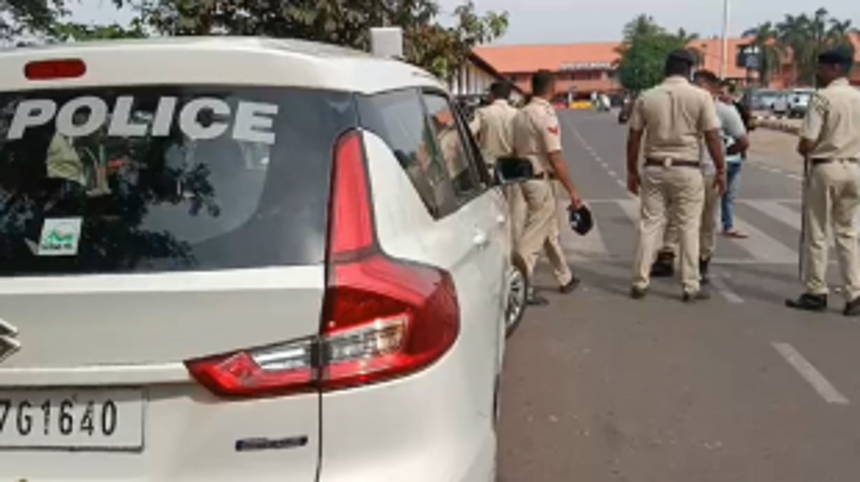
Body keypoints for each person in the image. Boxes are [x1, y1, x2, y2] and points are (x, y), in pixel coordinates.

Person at [625, 49, 727, 302]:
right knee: (689, 227)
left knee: (649, 226)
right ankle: (690, 285)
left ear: (666, 69)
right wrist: (721, 169)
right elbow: (713, 136)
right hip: (687, 168)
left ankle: (640, 280)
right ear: (689, 70)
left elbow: (634, 137)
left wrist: (631, 170)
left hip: (654, 167)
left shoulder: (647, 97)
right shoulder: (701, 97)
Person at [651, 70, 750, 284]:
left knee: (706, 220)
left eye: (700, 85)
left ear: (712, 88)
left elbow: (743, 141)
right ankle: (667, 255)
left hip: (708, 173)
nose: (695, 89)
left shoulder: (724, 111)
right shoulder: (685, 106)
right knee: (676, 215)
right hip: (686, 170)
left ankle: (702, 261)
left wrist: (724, 156)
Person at [786, 48, 860, 316]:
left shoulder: (823, 98)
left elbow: (808, 141)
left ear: (835, 69)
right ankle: (854, 293)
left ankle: (816, 291)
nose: (818, 72)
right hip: (853, 168)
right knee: (848, 233)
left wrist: (805, 149)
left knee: (817, 231)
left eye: (822, 67)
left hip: (825, 167)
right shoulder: (857, 97)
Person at [513, 70, 584, 306]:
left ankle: (565, 277)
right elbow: (555, 157)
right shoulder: (544, 115)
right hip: (540, 178)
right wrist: (572, 190)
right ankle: (519, 286)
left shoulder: (521, 114)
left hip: (525, 178)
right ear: (552, 88)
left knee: (548, 230)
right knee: (532, 240)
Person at [470, 81, 525, 244]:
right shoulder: (518, 114)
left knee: (493, 214)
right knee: (514, 215)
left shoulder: (483, 113)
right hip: (514, 169)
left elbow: (469, 133)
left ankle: (497, 248)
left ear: (492, 95)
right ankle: (514, 249)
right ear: (508, 96)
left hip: (490, 168)